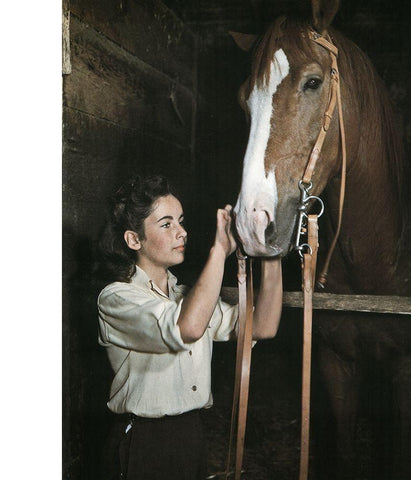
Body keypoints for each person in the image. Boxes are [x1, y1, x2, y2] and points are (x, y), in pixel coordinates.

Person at [96, 174, 283, 480]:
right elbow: (187, 328)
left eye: (181, 221)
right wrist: (219, 251)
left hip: (191, 435)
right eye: (166, 224)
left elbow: (261, 326)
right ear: (133, 239)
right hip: (144, 441)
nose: (182, 232)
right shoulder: (117, 298)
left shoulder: (186, 297)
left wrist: (271, 250)